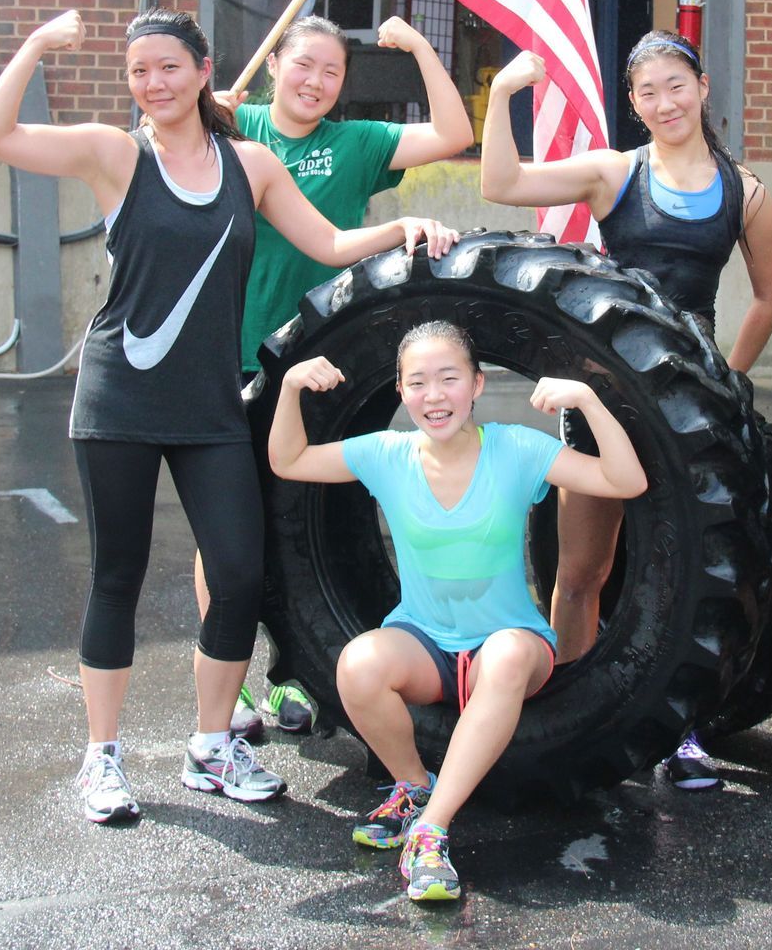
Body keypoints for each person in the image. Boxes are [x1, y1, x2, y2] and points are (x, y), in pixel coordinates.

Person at [0, 7, 457, 826]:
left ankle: (209, 745)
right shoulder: (114, 153)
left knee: (237, 575)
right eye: (138, 72)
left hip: (210, 405)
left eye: (168, 67)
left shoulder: (252, 163)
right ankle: (103, 758)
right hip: (119, 397)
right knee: (115, 578)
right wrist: (36, 45)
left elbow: (332, 242)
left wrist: (403, 228)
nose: (152, 84)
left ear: (203, 72)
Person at [477, 31, 772, 790]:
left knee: (690, 578)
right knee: (584, 569)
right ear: (634, 103)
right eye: (647, 92)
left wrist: (729, 377)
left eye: (676, 86)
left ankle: (681, 733)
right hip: (607, 403)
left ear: (703, 87)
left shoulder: (744, 191)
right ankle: (573, 705)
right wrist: (506, 94)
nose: (664, 103)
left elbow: (770, 297)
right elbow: (502, 183)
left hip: (695, 423)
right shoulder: (615, 173)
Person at [266, 320, 646, 902]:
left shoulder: (517, 448)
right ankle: (415, 789)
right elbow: (289, 459)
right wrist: (290, 387)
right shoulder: (386, 455)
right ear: (399, 390)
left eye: (449, 379)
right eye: (418, 382)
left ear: (477, 384)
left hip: (511, 643)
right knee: (358, 665)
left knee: (506, 654)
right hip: (427, 643)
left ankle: (431, 830)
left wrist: (588, 399)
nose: (434, 396)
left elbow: (626, 479)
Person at [207, 13, 475, 741]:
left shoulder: (356, 143)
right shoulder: (237, 125)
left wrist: (420, 47)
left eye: (332, 72)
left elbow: (453, 134)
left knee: (304, 525)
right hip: (232, 349)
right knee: (226, 530)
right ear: (275, 67)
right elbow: (160, 131)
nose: (316, 82)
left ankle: (294, 673)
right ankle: (225, 687)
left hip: (328, 359)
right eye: (304, 66)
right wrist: (210, 110)